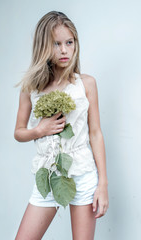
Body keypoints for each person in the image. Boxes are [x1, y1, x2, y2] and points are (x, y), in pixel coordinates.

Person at [14, 11, 109, 240]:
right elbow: (18, 132)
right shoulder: (31, 89)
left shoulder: (86, 84)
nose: (64, 50)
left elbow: (95, 133)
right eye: (56, 44)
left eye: (69, 42)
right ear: (44, 47)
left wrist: (103, 184)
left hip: (82, 173)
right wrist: (39, 130)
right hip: (48, 174)